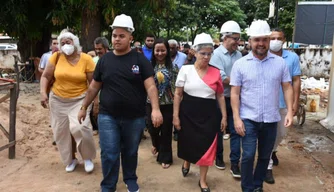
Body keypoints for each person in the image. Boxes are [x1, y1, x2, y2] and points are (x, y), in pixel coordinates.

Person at [77, 14, 163, 192]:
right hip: (108, 116)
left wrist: (155, 109)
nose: (117, 39)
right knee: (109, 153)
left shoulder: (140, 60)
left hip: (135, 117)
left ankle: (130, 179)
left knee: (130, 152)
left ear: (130, 38)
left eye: (121, 36)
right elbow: (94, 87)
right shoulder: (105, 60)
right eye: (114, 35)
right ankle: (108, 185)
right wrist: (84, 106)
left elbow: (151, 87)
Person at [230, 20, 294, 192]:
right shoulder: (240, 65)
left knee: (265, 156)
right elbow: (235, 93)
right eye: (257, 39)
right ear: (250, 41)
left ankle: (257, 186)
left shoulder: (280, 63)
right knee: (248, 155)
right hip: (248, 119)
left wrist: (289, 111)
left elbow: (287, 87)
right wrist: (236, 118)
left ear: (269, 41)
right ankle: (247, 188)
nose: (261, 43)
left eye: (264, 39)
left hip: (271, 119)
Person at [173, 33, 227, 192]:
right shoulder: (185, 70)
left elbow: (220, 95)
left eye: (209, 53)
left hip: (209, 116)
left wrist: (224, 116)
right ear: (194, 53)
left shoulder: (216, 72)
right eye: (203, 53)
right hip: (188, 114)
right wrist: (175, 116)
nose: (206, 57)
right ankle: (187, 161)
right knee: (189, 142)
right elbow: (177, 94)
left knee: (208, 147)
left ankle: (203, 180)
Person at [40, 31, 97, 173]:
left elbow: (93, 83)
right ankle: (71, 159)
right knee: (62, 132)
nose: (65, 45)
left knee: (81, 127)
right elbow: (46, 76)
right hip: (58, 100)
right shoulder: (56, 57)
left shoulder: (86, 59)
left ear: (75, 43)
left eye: (68, 42)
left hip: (80, 99)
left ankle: (87, 157)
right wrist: (42, 93)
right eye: (63, 43)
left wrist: (96, 101)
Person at [264, 28, 301, 184]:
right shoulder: (263, 56)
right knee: (268, 136)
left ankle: (272, 151)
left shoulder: (292, 58)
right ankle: (267, 167)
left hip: (284, 103)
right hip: (267, 104)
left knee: (282, 133)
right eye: (272, 38)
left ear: (284, 40)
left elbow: (296, 81)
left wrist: (295, 103)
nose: (275, 41)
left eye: (278, 38)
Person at [210, 20, 242, 177]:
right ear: (225, 38)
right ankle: (218, 158)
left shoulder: (240, 55)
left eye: (238, 39)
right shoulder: (215, 55)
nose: (238, 42)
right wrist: (239, 81)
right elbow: (220, 78)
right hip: (219, 99)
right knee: (219, 130)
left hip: (236, 99)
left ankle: (235, 163)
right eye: (235, 38)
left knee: (236, 130)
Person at [147, 38, 178, 169]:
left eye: (163, 50)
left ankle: (166, 157)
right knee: (151, 128)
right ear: (153, 51)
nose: (160, 53)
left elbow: (177, 89)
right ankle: (156, 144)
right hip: (149, 103)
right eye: (157, 50)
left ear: (167, 50)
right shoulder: (147, 66)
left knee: (166, 131)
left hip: (168, 104)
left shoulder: (174, 68)